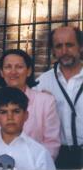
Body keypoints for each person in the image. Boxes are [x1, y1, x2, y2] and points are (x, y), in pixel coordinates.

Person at [0, 48, 61, 159]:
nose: (13, 72)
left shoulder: (46, 102)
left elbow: (51, 144)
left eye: (19, 67)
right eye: (8, 67)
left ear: (29, 71)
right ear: (1, 72)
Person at [0, 87, 56, 170]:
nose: (10, 117)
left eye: (16, 111)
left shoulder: (39, 153)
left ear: (26, 115)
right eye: (3, 112)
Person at [36, 26, 83, 169]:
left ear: (80, 47)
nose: (64, 51)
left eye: (69, 45)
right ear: (53, 51)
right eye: (58, 46)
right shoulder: (42, 83)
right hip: (58, 157)